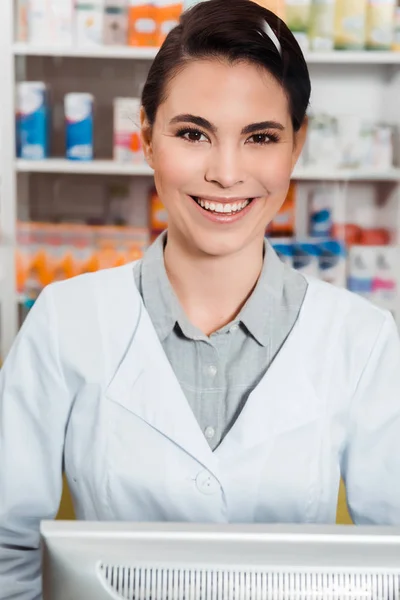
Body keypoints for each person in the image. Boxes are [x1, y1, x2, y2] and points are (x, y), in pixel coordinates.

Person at [1, 0, 400, 597]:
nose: (226, 172)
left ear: (296, 147)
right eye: (193, 133)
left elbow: (390, 565)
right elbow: (9, 554)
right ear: (145, 138)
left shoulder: (362, 339)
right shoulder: (66, 321)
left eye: (260, 137)